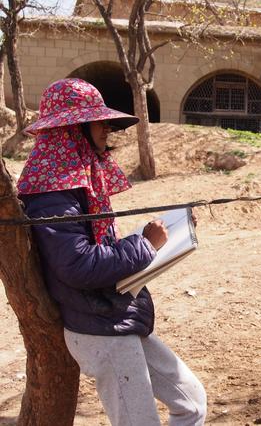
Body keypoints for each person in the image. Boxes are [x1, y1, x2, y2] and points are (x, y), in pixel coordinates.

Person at [17, 78, 207, 426]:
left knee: (193, 403)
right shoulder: (51, 195)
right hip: (98, 331)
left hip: (113, 316)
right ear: (73, 128)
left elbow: (95, 250)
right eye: (99, 121)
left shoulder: (70, 182)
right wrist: (144, 244)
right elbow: (78, 264)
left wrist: (171, 231)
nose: (107, 129)